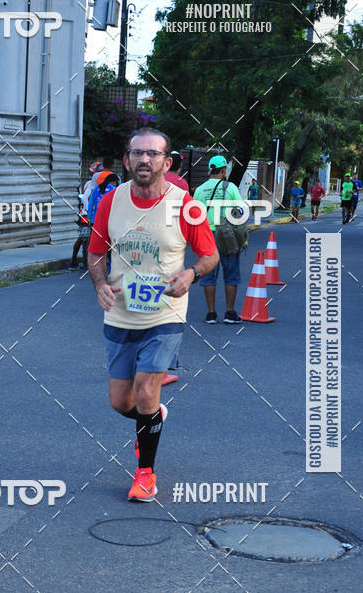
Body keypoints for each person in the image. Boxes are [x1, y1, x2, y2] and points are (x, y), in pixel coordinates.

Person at [87, 127, 217, 501]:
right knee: (121, 402)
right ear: (127, 159)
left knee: (145, 390)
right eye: (138, 153)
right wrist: (98, 285)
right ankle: (152, 419)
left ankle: (145, 472)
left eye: (153, 154)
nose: (145, 160)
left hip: (165, 313)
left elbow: (210, 256)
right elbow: (96, 252)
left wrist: (190, 274)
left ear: (167, 161)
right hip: (121, 313)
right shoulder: (110, 202)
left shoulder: (186, 205)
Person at [194, 155, 245, 324]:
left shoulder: (200, 190)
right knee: (230, 274)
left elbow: (195, 215)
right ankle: (229, 313)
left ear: (210, 170)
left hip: (207, 235)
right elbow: (240, 209)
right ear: (223, 170)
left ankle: (211, 314)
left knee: (208, 275)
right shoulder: (230, 187)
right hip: (227, 235)